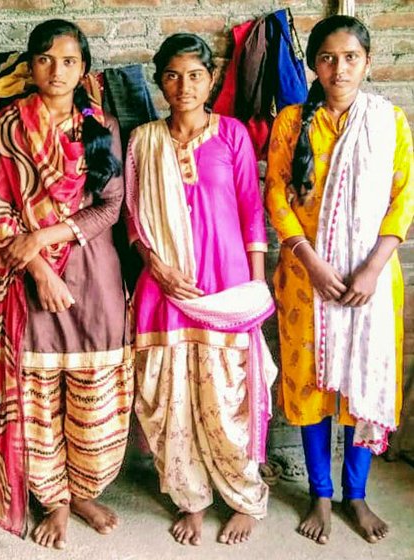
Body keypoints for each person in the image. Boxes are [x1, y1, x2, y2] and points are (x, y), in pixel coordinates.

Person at [0, 19, 132, 550]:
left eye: (69, 61)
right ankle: (57, 501)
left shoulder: (101, 127)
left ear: (84, 69)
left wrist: (45, 234)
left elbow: (110, 205)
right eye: (45, 59)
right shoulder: (9, 127)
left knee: (95, 396)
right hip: (30, 282)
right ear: (30, 66)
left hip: (94, 277)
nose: (57, 70)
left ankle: (87, 489)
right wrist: (40, 268)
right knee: (38, 398)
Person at [265, 15, 414, 545]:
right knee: (309, 386)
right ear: (313, 64)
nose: (339, 68)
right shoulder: (291, 121)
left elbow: (403, 200)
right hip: (308, 279)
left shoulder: (390, 121)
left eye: (350, 57)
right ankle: (320, 493)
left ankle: (356, 494)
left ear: (368, 62)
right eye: (327, 57)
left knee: (359, 388)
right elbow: (277, 197)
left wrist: (373, 268)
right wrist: (309, 259)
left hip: (369, 282)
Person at [125, 33, 276, 547]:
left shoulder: (231, 133)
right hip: (163, 291)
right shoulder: (143, 139)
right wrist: (158, 267)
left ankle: (243, 497)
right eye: (171, 75)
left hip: (227, 289)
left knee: (229, 398)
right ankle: (191, 498)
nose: (183, 85)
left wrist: (255, 288)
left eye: (194, 75)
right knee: (172, 402)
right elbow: (134, 220)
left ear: (211, 79)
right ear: (160, 81)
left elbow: (252, 212)